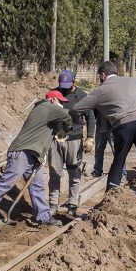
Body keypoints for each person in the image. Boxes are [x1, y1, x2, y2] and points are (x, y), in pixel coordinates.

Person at [0, 91, 73, 230]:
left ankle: (43, 217)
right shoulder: (46, 107)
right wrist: (67, 127)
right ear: (53, 100)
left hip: (33, 155)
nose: (62, 104)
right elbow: (68, 115)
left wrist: (62, 128)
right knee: (7, 182)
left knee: (37, 185)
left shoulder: (48, 112)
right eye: (60, 102)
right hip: (22, 152)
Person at [72, 61, 136, 205]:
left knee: (119, 160)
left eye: (99, 76)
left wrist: (79, 121)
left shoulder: (99, 91)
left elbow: (76, 109)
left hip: (123, 126)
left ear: (103, 75)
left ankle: (110, 198)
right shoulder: (132, 81)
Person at [49, 69, 96, 218]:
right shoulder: (54, 94)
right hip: (56, 140)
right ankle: (53, 204)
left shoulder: (81, 96)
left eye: (67, 85)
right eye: (62, 85)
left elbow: (90, 117)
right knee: (55, 173)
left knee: (74, 173)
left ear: (74, 82)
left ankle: (72, 205)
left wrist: (90, 137)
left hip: (75, 140)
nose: (64, 88)